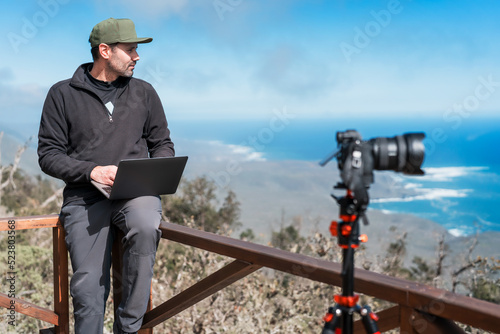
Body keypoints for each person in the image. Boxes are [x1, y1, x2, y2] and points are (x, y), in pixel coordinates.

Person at [38, 18, 175, 334]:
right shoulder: (62, 94)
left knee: (145, 226)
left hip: (136, 193)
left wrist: (155, 171)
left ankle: (128, 328)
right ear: (104, 51)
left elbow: (162, 143)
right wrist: (91, 171)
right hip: (84, 197)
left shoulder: (145, 92)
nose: (136, 57)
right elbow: (48, 155)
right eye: (130, 50)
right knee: (86, 290)